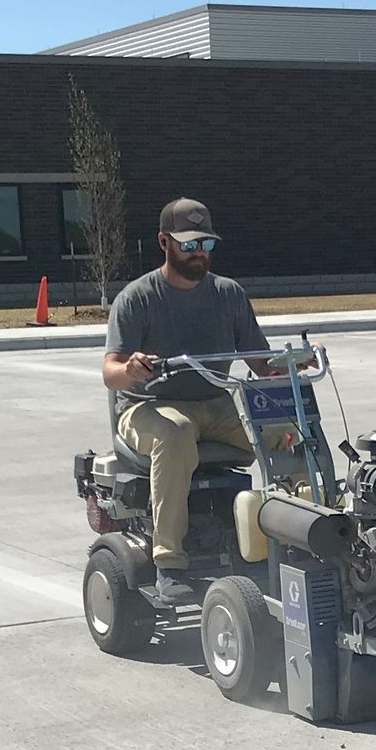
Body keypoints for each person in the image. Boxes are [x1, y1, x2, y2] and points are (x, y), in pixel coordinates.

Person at [102, 199, 270, 603]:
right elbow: (110, 370)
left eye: (206, 246)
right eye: (190, 245)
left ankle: (290, 541)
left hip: (214, 403)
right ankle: (169, 564)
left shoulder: (228, 294)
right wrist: (132, 368)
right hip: (146, 406)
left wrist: (297, 361)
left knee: (283, 430)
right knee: (176, 432)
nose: (199, 254)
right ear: (164, 242)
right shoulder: (137, 297)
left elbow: (262, 363)